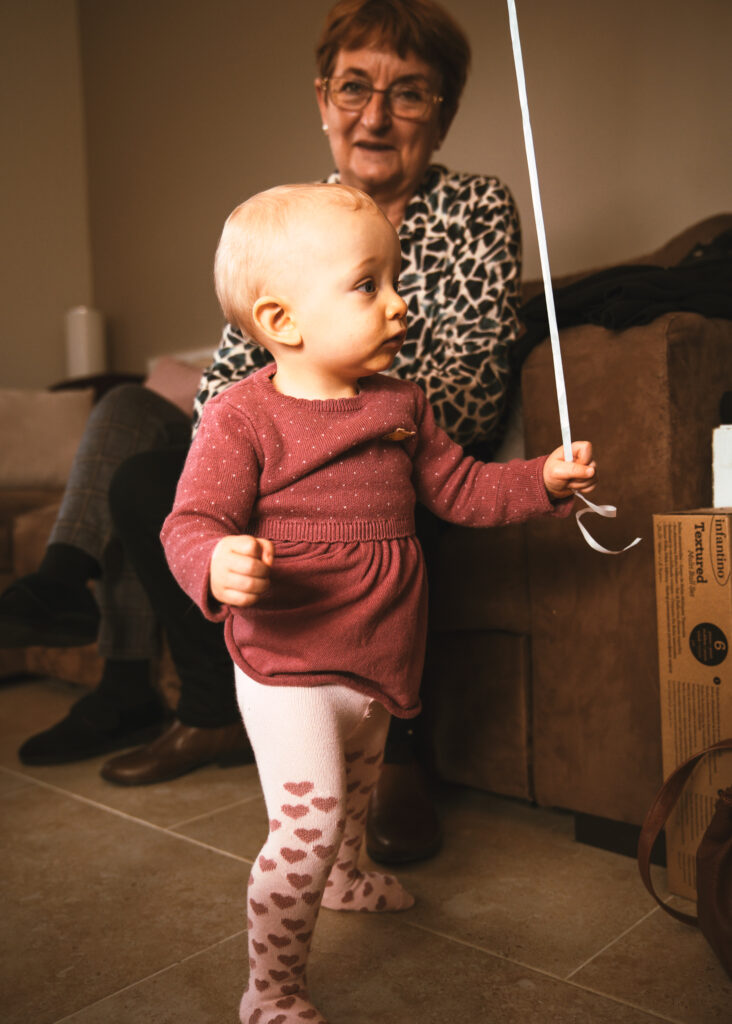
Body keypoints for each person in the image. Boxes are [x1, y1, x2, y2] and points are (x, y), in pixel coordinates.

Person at [4, 0, 520, 859]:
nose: (376, 115)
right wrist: (241, 445)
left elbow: (470, 382)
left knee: (357, 485)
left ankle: (393, 750)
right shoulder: (295, 215)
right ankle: (91, 607)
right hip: (277, 436)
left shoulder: (473, 206)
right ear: (323, 99)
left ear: (445, 113)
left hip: (392, 451)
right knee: (136, 435)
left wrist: (340, 408)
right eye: (354, 87)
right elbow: (232, 373)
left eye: (410, 94)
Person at [161, 180, 596, 1024]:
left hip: (381, 650)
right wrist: (216, 561)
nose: (400, 305)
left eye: (393, 279)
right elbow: (192, 519)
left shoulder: (403, 405)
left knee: (358, 790)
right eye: (369, 286)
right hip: (289, 662)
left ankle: (350, 878)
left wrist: (540, 481)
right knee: (306, 829)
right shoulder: (241, 417)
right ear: (283, 322)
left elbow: (461, 489)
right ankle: (271, 989)